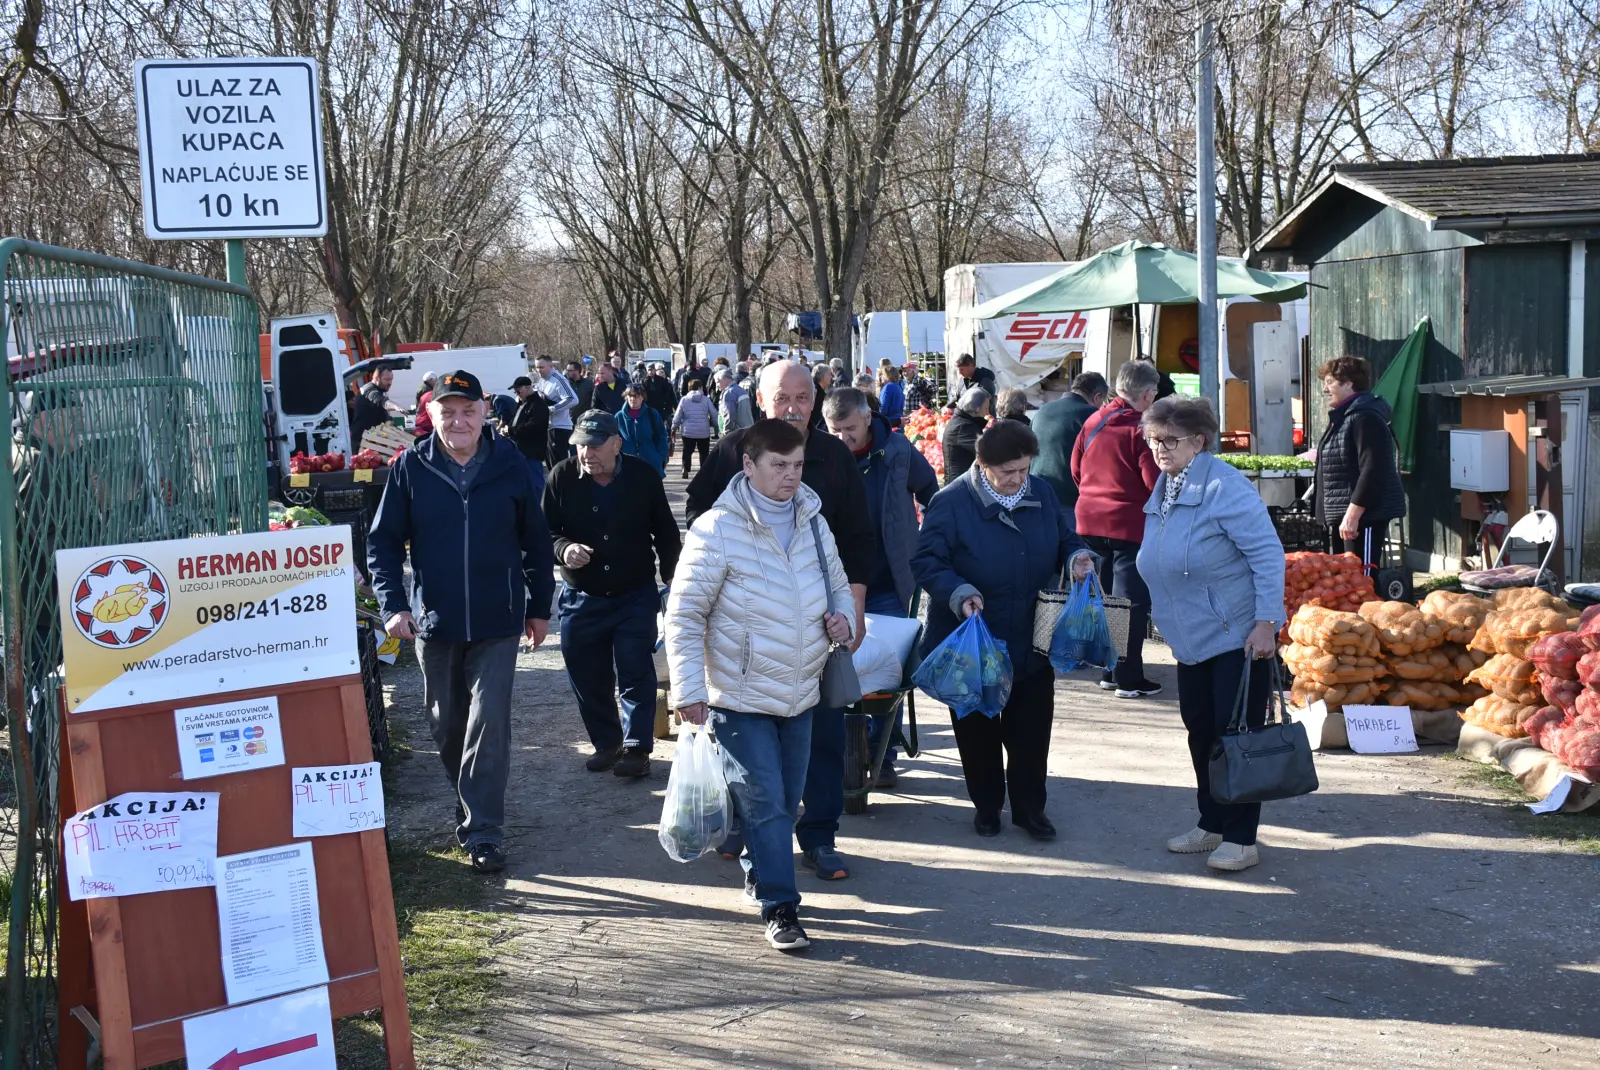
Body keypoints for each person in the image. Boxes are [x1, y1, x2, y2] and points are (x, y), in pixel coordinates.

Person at [667, 419, 855, 952]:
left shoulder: (815, 521)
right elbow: (683, 615)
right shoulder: (716, 529)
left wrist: (843, 619)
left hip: (802, 691)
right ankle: (781, 906)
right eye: (779, 465)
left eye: (797, 465)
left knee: (784, 799)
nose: (790, 476)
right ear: (749, 465)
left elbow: (838, 585)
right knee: (769, 800)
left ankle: (757, 867)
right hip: (739, 694)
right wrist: (688, 689)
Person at [686, 361, 873, 880]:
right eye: (782, 398)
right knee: (754, 747)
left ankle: (819, 835)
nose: (793, 408)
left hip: (819, 630)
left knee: (822, 739)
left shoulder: (833, 455)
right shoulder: (733, 450)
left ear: (816, 401)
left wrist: (851, 609)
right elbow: (698, 516)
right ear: (761, 399)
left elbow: (858, 537)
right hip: (753, 632)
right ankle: (752, 833)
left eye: (803, 398)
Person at [367, 369, 556, 874]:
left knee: (488, 723)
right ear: (430, 415)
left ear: (485, 412)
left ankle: (484, 831)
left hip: (498, 620)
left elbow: (536, 543)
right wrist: (394, 606)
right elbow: (383, 542)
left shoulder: (512, 467)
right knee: (446, 724)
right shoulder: (410, 467)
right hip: (435, 621)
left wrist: (539, 606)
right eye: (447, 412)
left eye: (467, 411)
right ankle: (470, 798)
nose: (458, 421)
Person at [912, 419, 1094, 840]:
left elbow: (1065, 539)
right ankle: (987, 806)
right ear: (982, 464)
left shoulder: (1041, 493)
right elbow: (926, 561)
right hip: (974, 637)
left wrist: (1077, 558)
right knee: (978, 732)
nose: (1017, 480)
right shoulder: (952, 502)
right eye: (1007, 472)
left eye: (1023, 470)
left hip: (1032, 634)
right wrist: (958, 592)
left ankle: (1031, 810)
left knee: (1031, 732)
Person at [1136, 396, 1285, 873]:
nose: (1159, 448)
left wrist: (1266, 624)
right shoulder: (1165, 485)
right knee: (1200, 731)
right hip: (1190, 638)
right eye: (1153, 439)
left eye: (1169, 440)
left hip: (1237, 637)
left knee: (1236, 736)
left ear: (1198, 441)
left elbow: (1267, 555)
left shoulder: (1225, 486)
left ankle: (1242, 837)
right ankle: (1212, 821)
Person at [544, 411, 681, 779]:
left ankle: (637, 748)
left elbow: (667, 534)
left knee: (635, 667)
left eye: (595, 444)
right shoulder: (561, 477)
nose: (586, 453)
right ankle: (607, 743)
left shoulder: (641, 476)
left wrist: (674, 584)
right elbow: (546, 531)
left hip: (633, 593)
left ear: (616, 444)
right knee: (587, 674)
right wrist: (564, 548)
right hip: (581, 596)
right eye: (580, 445)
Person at [822, 387, 937, 786]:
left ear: (867, 417)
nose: (842, 438)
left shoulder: (899, 452)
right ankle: (835, 752)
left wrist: (924, 541)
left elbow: (931, 493)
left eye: (849, 428)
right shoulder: (821, 456)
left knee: (885, 670)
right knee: (832, 666)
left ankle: (882, 753)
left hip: (887, 579)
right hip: (832, 583)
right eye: (834, 429)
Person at [1072, 360, 1162, 699]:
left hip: (1090, 521)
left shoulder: (1094, 420)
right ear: (1148, 393)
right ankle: (1128, 678)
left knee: (1107, 600)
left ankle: (1110, 670)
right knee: (1131, 604)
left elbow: (1075, 470)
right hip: (1127, 525)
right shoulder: (1140, 428)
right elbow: (1152, 481)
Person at [1310, 356, 1406, 571]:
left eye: (1330, 382)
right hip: (1344, 514)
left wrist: (1353, 515)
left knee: (1363, 578)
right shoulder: (1343, 417)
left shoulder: (1365, 418)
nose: (1325, 389)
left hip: (1365, 517)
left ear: (1348, 384)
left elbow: (1373, 469)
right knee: (1345, 578)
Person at [1030, 372, 1108, 513]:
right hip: (1069, 501)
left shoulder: (1042, 410)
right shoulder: (1091, 415)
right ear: (1098, 397)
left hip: (1036, 493)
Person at [507, 375, 551, 495]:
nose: (516, 393)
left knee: (536, 483)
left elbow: (535, 425)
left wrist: (513, 430)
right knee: (522, 482)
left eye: (518, 390)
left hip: (532, 450)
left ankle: (539, 508)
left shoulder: (538, 404)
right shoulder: (522, 403)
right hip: (520, 447)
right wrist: (508, 428)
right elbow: (515, 419)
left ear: (527, 388)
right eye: (515, 391)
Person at [617, 384, 670, 476]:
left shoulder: (652, 414)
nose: (633, 399)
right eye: (630, 396)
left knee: (650, 489)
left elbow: (662, 435)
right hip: (627, 464)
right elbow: (614, 438)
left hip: (650, 462)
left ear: (642, 397)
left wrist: (661, 456)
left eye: (636, 396)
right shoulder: (619, 416)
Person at [533, 355, 580, 460]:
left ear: (550, 366)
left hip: (560, 427)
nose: (538, 370)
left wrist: (552, 408)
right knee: (551, 465)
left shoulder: (558, 379)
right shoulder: (542, 380)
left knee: (559, 465)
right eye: (537, 367)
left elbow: (573, 399)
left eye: (541, 367)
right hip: (548, 427)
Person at [942, 386, 990, 487]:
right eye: (986, 408)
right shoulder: (964, 427)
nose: (987, 413)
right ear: (976, 409)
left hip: (961, 482)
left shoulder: (963, 422)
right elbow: (986, 452)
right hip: (959, 486)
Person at [672, 380, 718, 478]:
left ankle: (685, 468)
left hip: (688, 431)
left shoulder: (684, 399)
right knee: (704, 452)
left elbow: (678, 415)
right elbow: (714, 414)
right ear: (700, 387)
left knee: (687, 451)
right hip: (703, 431)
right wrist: (716, 426)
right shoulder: (706, 399)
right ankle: (704, 471)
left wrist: (674, 427)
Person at [351, 366, 397, 447]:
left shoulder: (380, 389)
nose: (390, 383)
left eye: (391, 379)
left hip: (372, 438)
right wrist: (395, 406)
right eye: (386, 379)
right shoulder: (369, 390)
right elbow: (380, 401)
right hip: (363, 441)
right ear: (377, 378)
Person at [715, 367, 755, 433]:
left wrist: (727, 431)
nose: (717, 385)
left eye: (718, 382)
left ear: (726, 379)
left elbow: (729, 414)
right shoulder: (740, 390)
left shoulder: (729, 393)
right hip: (746, 430)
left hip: (737, 433)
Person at [878, 365, 905, 429]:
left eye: (882, 374)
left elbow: (883, 408)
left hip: (890, 423)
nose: (881, 377)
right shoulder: (898, 387)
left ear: (888, 376)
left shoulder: (888, 387)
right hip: (899, 421)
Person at [413, 372, 438, 439]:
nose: (436, 382)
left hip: (421, 420)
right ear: (430, 380)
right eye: (435, 380)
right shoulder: (428, 393)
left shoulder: (424, 389)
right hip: (426, 423)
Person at [810, 364, 833, 433]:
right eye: (829, 374)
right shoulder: (815, 391)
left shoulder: (818, 390)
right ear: (823, 376)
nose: (831, 377)